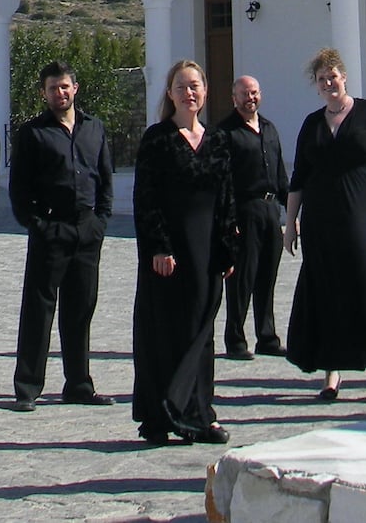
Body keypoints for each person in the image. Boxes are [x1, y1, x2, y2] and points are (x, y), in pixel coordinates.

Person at [283, 47, 366, 401]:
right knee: (328, 288)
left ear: (344, 77)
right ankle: (332, 373)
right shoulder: (312, 122)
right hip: (321, 218)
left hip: (365, 212)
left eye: (333, 77)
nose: (328, 84)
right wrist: (290, 222)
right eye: (322, 80)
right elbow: (299, 176)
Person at [132, 59, 237, 446]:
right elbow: (146, 197)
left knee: (202, 334)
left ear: (205, 91)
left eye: (195, 85)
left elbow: (227, 200)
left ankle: (199, 413)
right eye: (181, 86)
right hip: (169, 254)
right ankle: (161, 415)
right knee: (166, 333)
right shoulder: (158, 139)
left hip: (206, 251)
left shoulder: (218, 141)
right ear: (170, 94)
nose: (188, 92)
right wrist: (159, 247)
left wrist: (228, 249)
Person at [8, 60, 114, 410]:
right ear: (44, 93)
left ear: (75, 88)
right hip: (51, 230)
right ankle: (27, 387)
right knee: (39, 310)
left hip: (86, 230)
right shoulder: (33, 133)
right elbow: (19, 189)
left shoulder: (94, 128)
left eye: (65, 86)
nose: (60, 93)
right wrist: (38, 225)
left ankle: (79, 383)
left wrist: (100, 221)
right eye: (53, 88)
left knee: (80, 309)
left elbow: (105, 178)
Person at [216, 75, 289, 360]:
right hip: (243, 212)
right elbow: (223, 180)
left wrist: (289, 210)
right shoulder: (226, 132)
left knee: (267, 276)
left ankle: (267, 337)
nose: (251, 98)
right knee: (241, 279)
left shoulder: (269, 129)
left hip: (271, 211)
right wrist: (228, 219)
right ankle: (235, 340)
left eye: (255, 93)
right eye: (245, 94)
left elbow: (280, 173)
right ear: (234, 98)